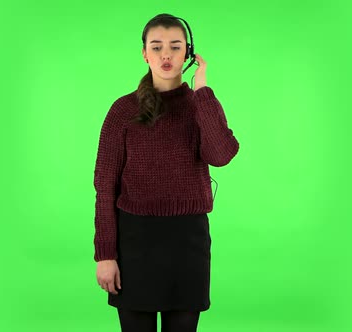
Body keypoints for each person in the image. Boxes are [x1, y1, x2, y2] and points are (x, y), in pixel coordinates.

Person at [93, 13, 239, 332]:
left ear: (188, 52)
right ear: (145, 53)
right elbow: (105, 187)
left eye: (175, 46)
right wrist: (105, 254)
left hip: (188, 243)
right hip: (135, 244)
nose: (166, 55)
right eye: (156, 47)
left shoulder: (200, 105)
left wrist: (202, 92)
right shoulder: (123, 111)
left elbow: (222, 154)